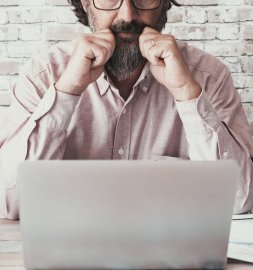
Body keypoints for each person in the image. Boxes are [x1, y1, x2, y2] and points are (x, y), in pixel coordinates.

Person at [0, 0, 253, 219]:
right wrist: (67, 91)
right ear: (85, 4)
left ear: (164, 4)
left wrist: (186, 92)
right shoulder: (43, 77)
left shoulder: (208, 78)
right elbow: (9, 203)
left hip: (174, 263)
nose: (127, 15)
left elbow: (240, 202)